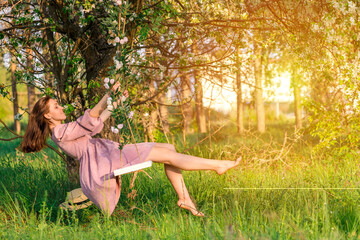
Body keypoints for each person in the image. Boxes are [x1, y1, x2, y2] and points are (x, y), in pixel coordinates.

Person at [19, 82, 241, 217]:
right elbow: (90, 118)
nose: (60, 108)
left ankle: (185, 199)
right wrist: (108, 95)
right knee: (167, 155)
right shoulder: (60, 132)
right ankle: (217, 165)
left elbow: (93, 125)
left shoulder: (64, 130)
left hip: (109, 152)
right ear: (48, 115)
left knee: (169, 148)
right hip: (106, 160)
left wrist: (114, 104)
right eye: (56, 107)